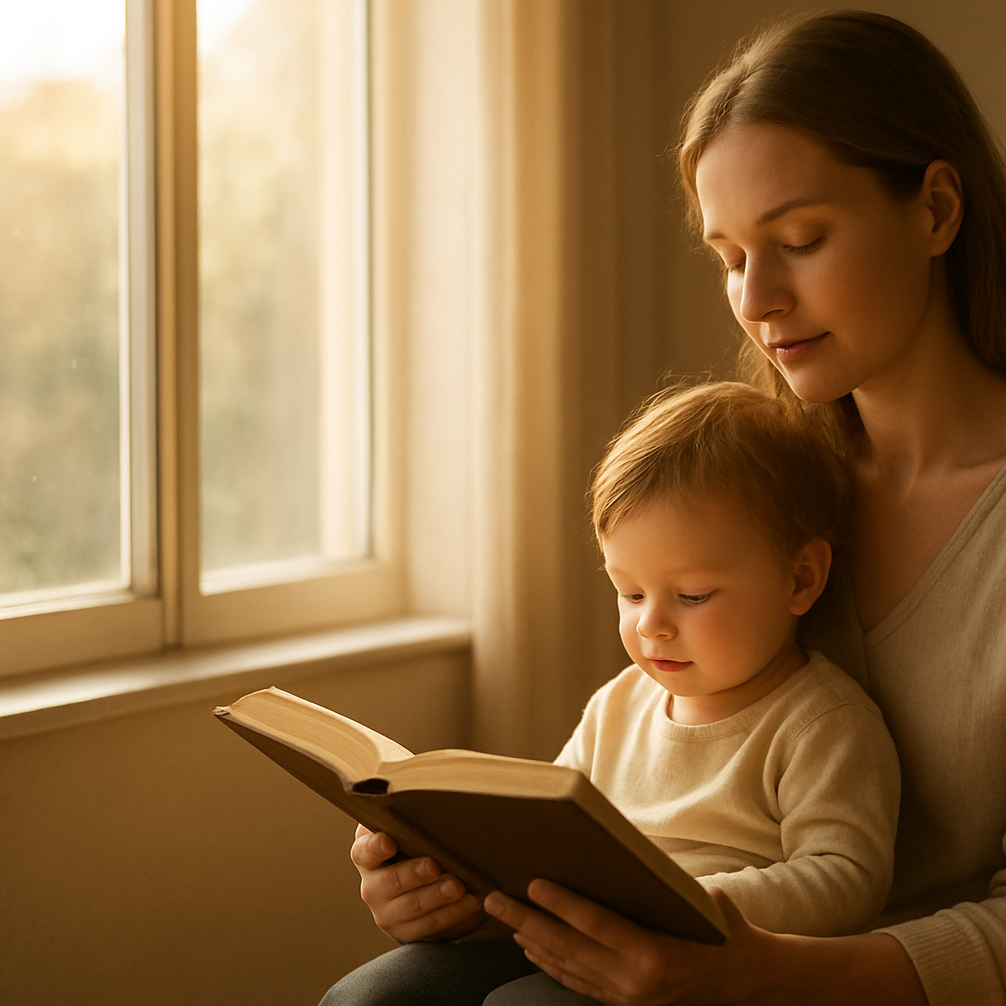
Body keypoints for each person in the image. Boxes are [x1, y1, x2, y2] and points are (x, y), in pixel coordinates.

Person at [354, 8, 1006, 1006]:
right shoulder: (761, 481)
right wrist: (472, 880)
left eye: (800, 239)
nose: (757, 297)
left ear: (936, 210)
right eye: (728, 256)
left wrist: (759, 973)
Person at [324, 382, 901, 1005]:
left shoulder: (821, 721)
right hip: (572, 934)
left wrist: (685, 901)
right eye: (630, 593)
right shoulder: (620, 703)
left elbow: (848, 879)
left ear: (800, 578)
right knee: (373, 998)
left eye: (693, 595)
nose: (651, 623)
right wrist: (450, 861)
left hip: (700, 971)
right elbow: (550, 828)